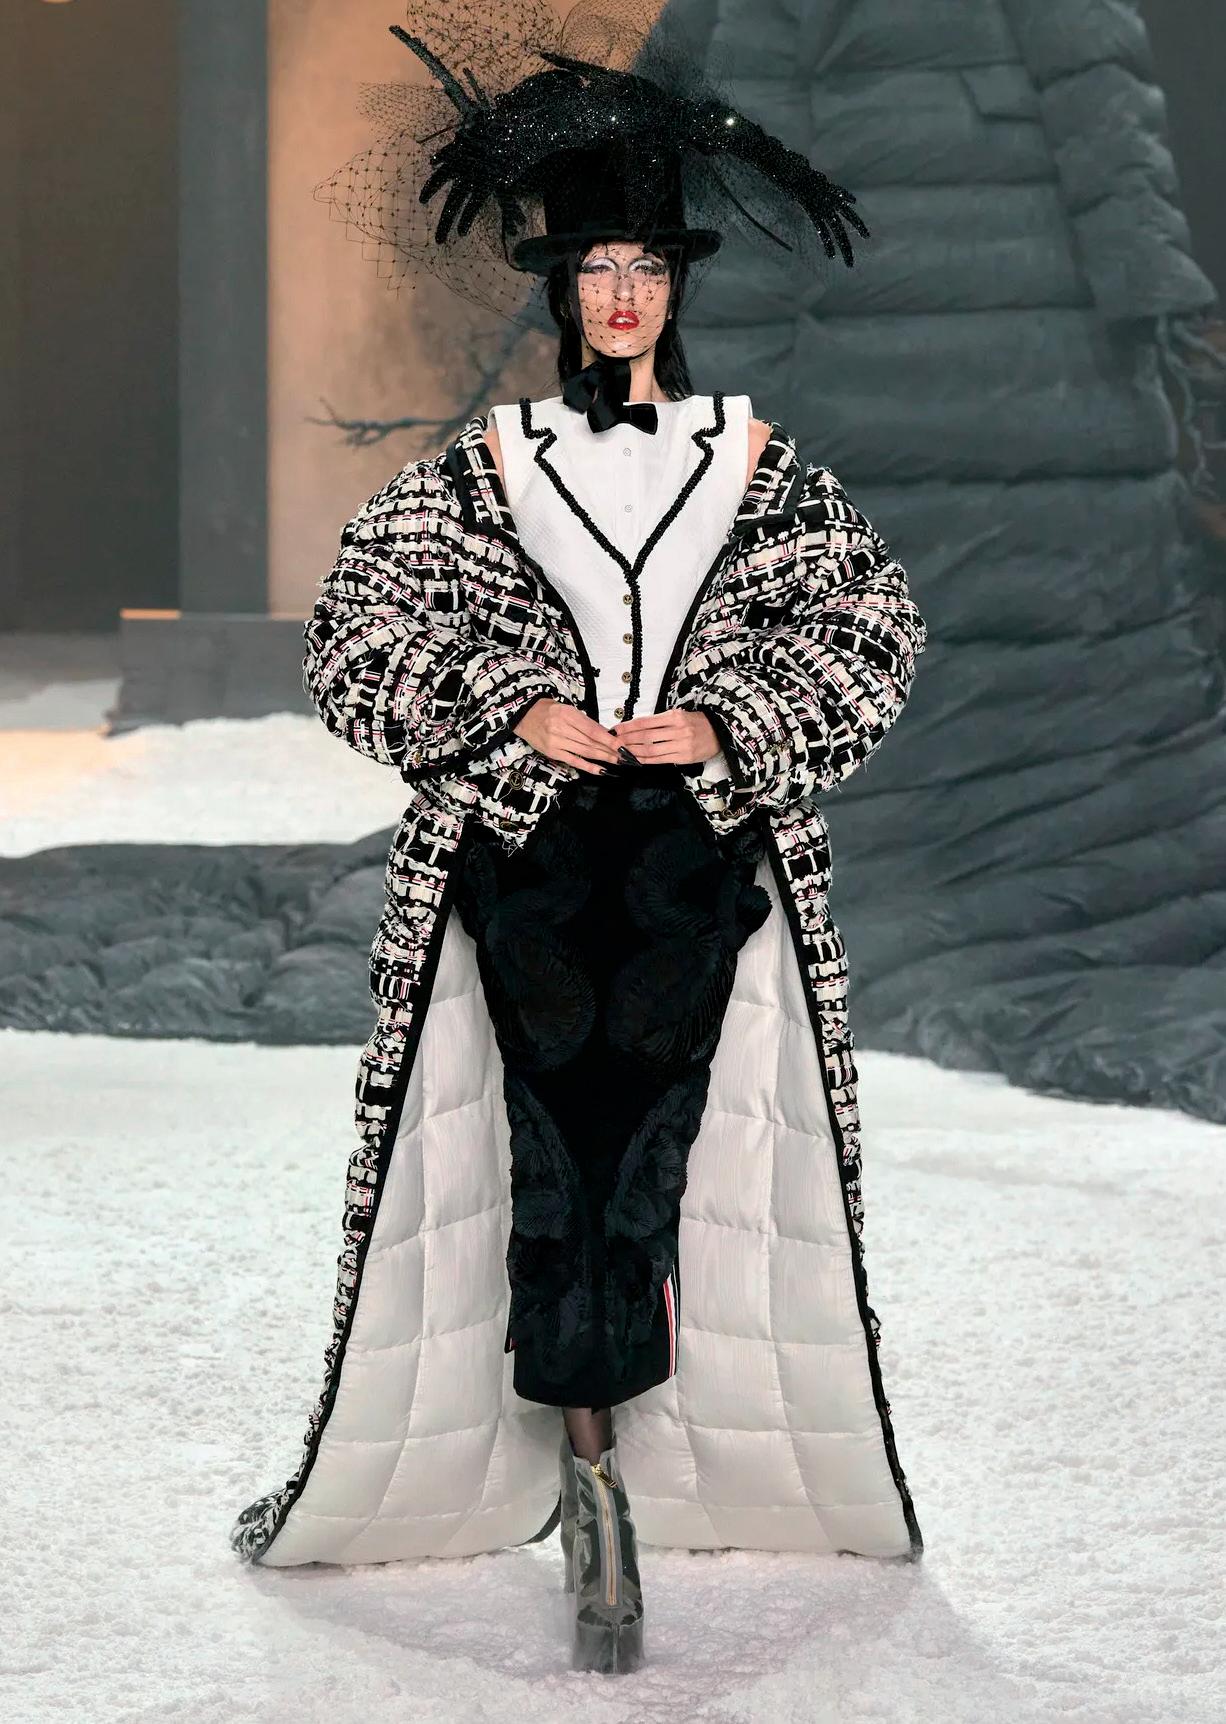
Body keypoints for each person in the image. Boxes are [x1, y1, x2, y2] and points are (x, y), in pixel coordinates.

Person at [229, 2, 928, 1678]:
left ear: (678, 285)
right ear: (558, 287)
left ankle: (625, 1464)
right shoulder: (484, 469)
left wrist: (730, 720)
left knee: (668, 1157)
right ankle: (589, 1471)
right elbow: (355, 635)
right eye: (595, 267)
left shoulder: (756, 464)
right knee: (543, 1159)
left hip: (695, 857)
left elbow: (873, 628)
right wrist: (510, 709)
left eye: (645, 267)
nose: (620, 295)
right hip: (528, 863)